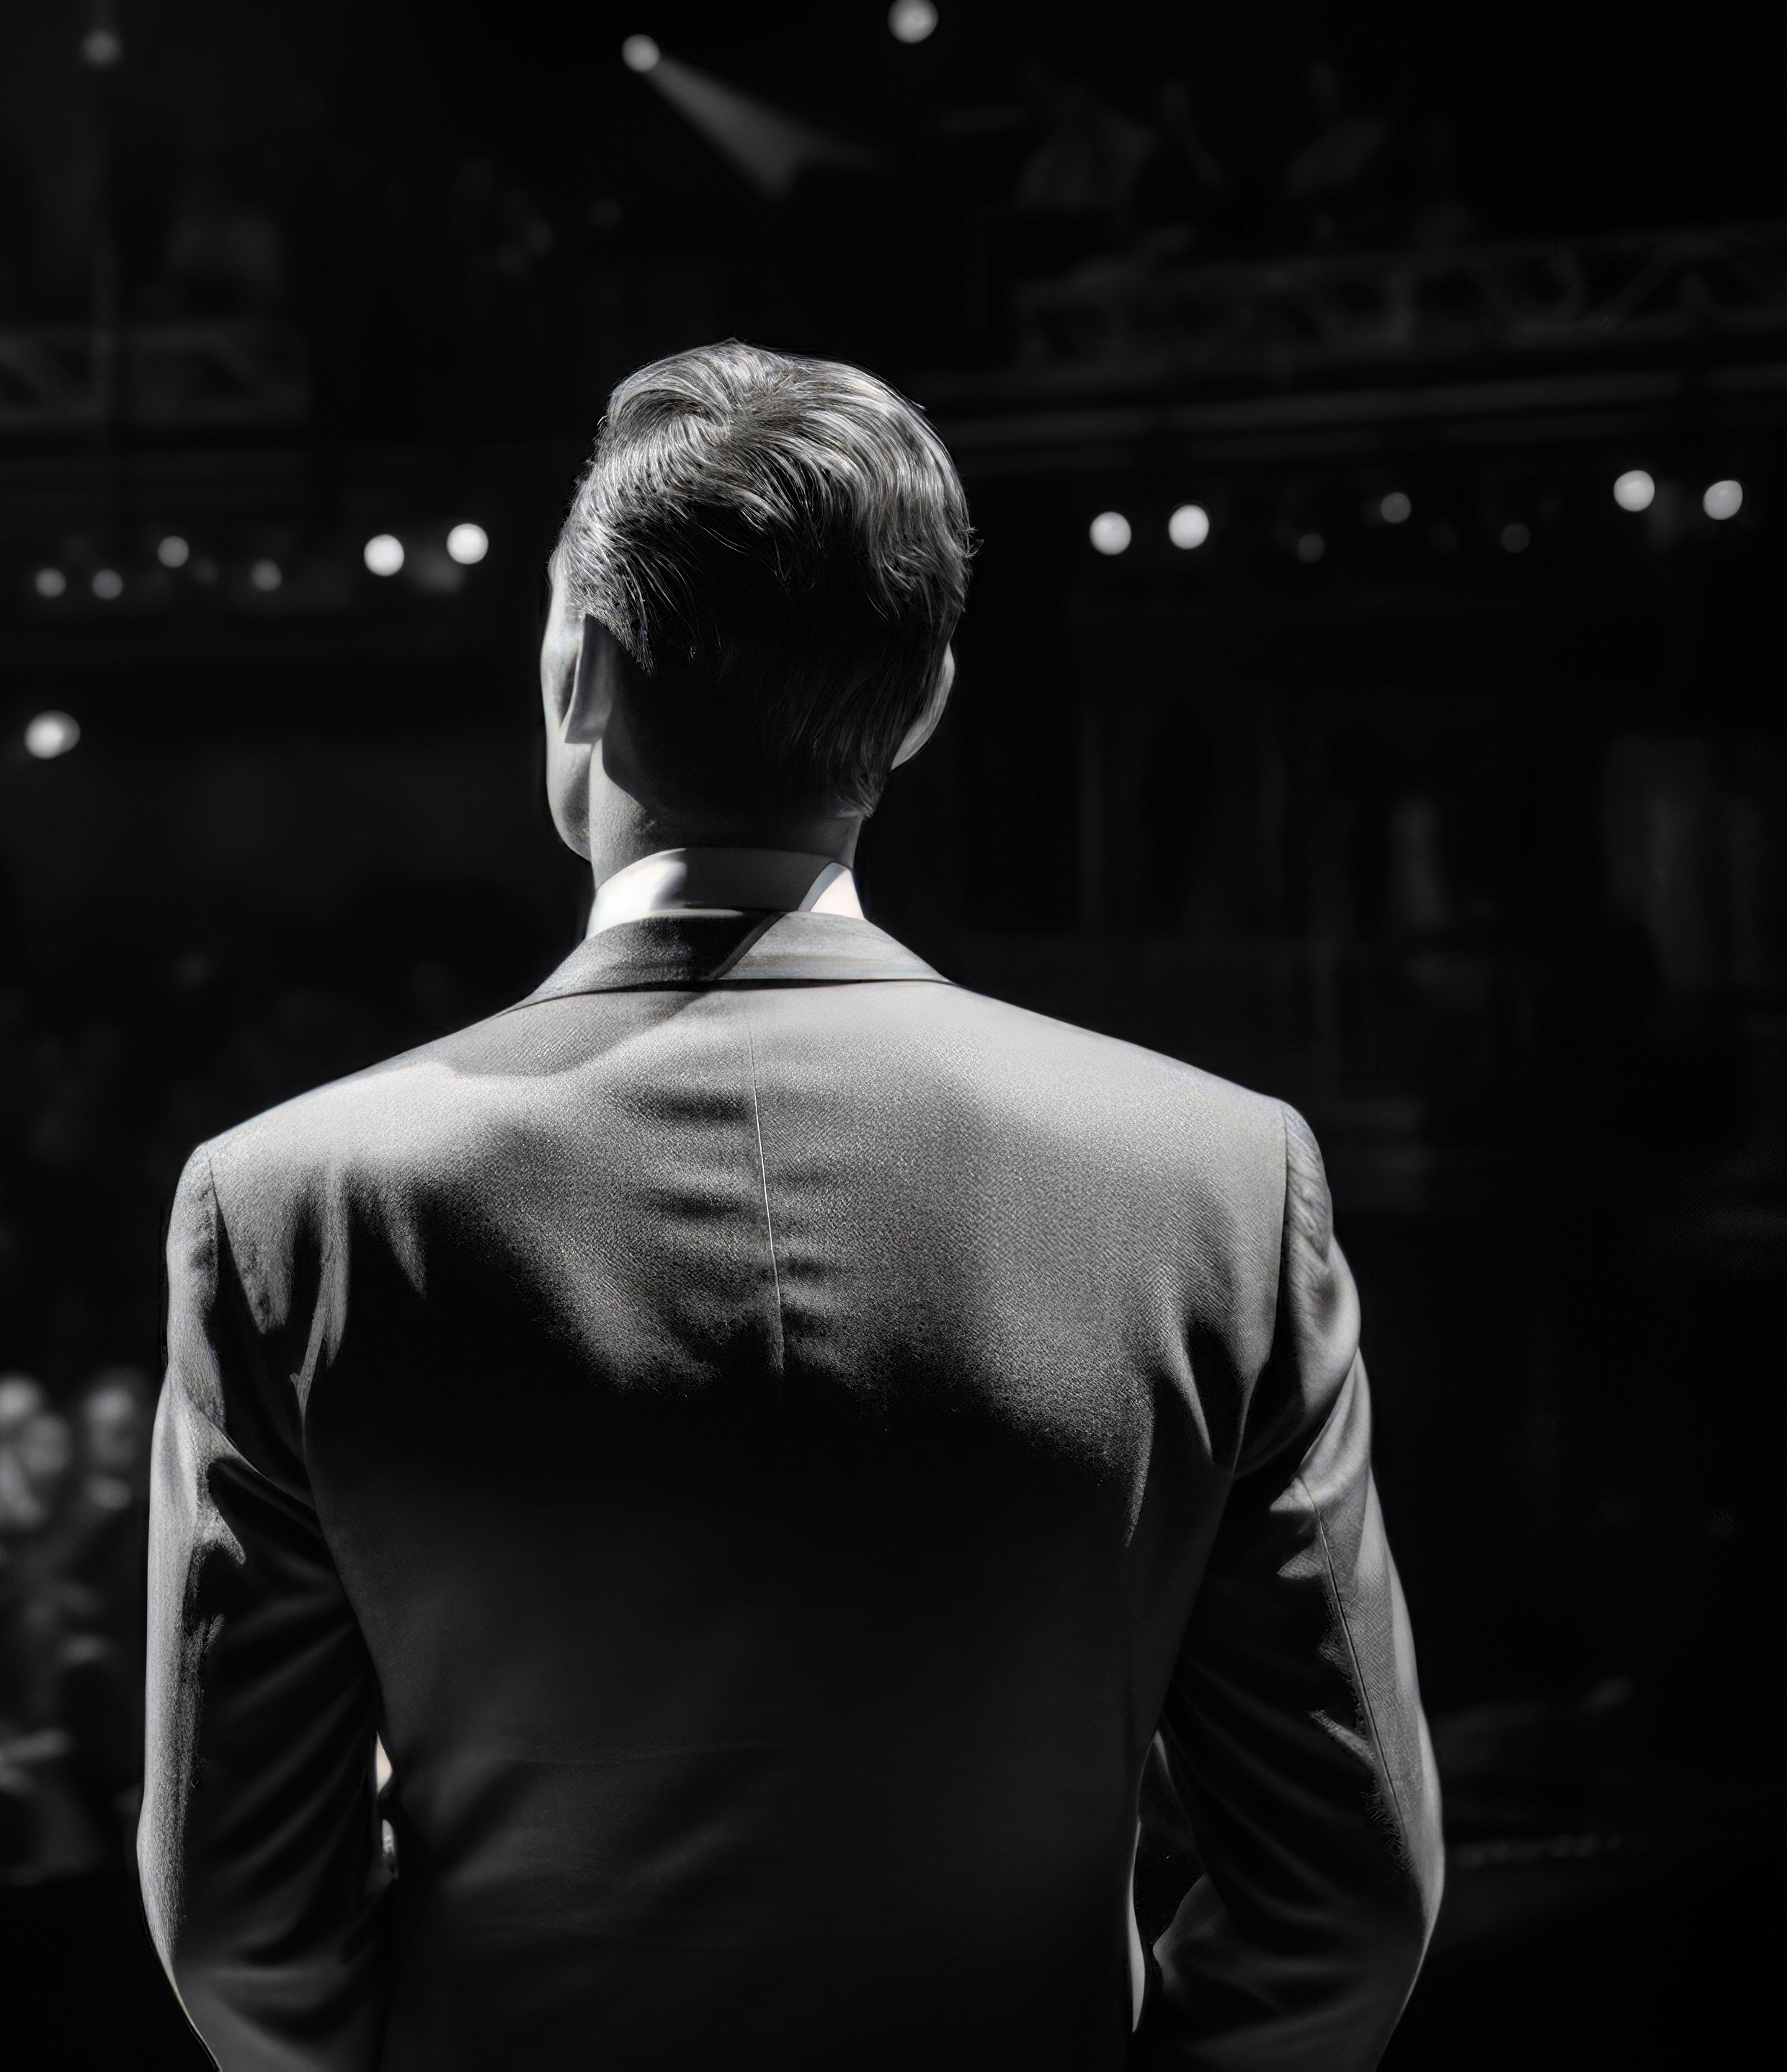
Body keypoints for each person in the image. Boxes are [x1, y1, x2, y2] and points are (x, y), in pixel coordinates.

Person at [135, 342, 1439, 2068]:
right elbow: (1342, 1904)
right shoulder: (1214, 1179)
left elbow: (243, 1932)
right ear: (920, 704)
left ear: (582, 671)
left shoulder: (293, 1210)